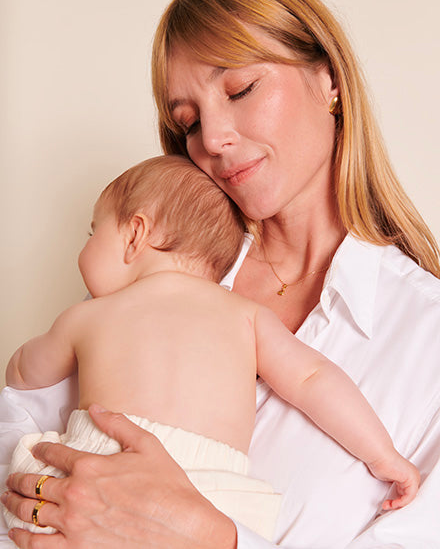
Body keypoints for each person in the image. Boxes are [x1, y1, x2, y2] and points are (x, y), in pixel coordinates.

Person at [1, 0, 440, 548]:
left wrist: (211, 537)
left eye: (240, 90)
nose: (211, 139)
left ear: (329, 79)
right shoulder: (145, 275)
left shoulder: (427, 342)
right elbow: (18, 419)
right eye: (188, 122)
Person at [3, 154, 419, 541]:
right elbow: (314, 378)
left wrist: (26, 356)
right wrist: (383, 456)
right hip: (219, 498)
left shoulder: (90, 316)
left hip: (106, 465)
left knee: (25, 487)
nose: (85, 248)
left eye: (93, 232)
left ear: (135, 234)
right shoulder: (246, 316)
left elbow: (23, 375)